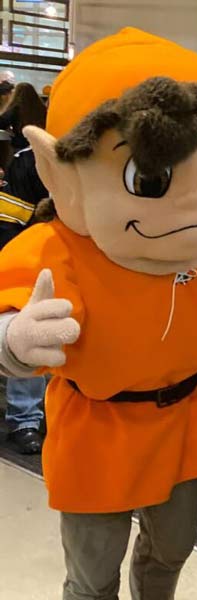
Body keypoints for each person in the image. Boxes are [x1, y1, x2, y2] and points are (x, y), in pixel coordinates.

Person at [0, 28, 197, 599]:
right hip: (99, 427)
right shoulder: (54, 247)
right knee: (93, 575)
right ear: (59, 171)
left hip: (183, 419)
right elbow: (9, 313)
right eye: (150, 178)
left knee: (169, 554)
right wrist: (15, 339)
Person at [1, 142, 51, 454]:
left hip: (85, 263)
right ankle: (25, 419)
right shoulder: (29, 160)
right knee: (29, 336)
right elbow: (8, 225)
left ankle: (50, 411)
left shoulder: (107, 156)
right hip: (30, 262)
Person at [0, 82, 47, 155]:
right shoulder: (42, 108)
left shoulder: (15, 108)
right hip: (40, 143)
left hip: (21, 145)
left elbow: (2, 123)